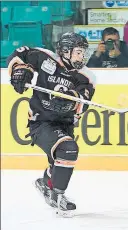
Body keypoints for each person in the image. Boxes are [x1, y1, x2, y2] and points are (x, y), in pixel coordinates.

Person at [6, 32, 96, 216]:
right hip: (41, 122)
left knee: (59, 162)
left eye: (84, 52)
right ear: (66, 50)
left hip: (65, 125)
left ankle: (46, 182)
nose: (82, 56)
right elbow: (18, 54)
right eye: (79, 52)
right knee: (68, 149)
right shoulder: (45, 58)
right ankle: (57, 196)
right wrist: (20, 70)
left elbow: (82, 104)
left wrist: (70, 102)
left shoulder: (86, 76)